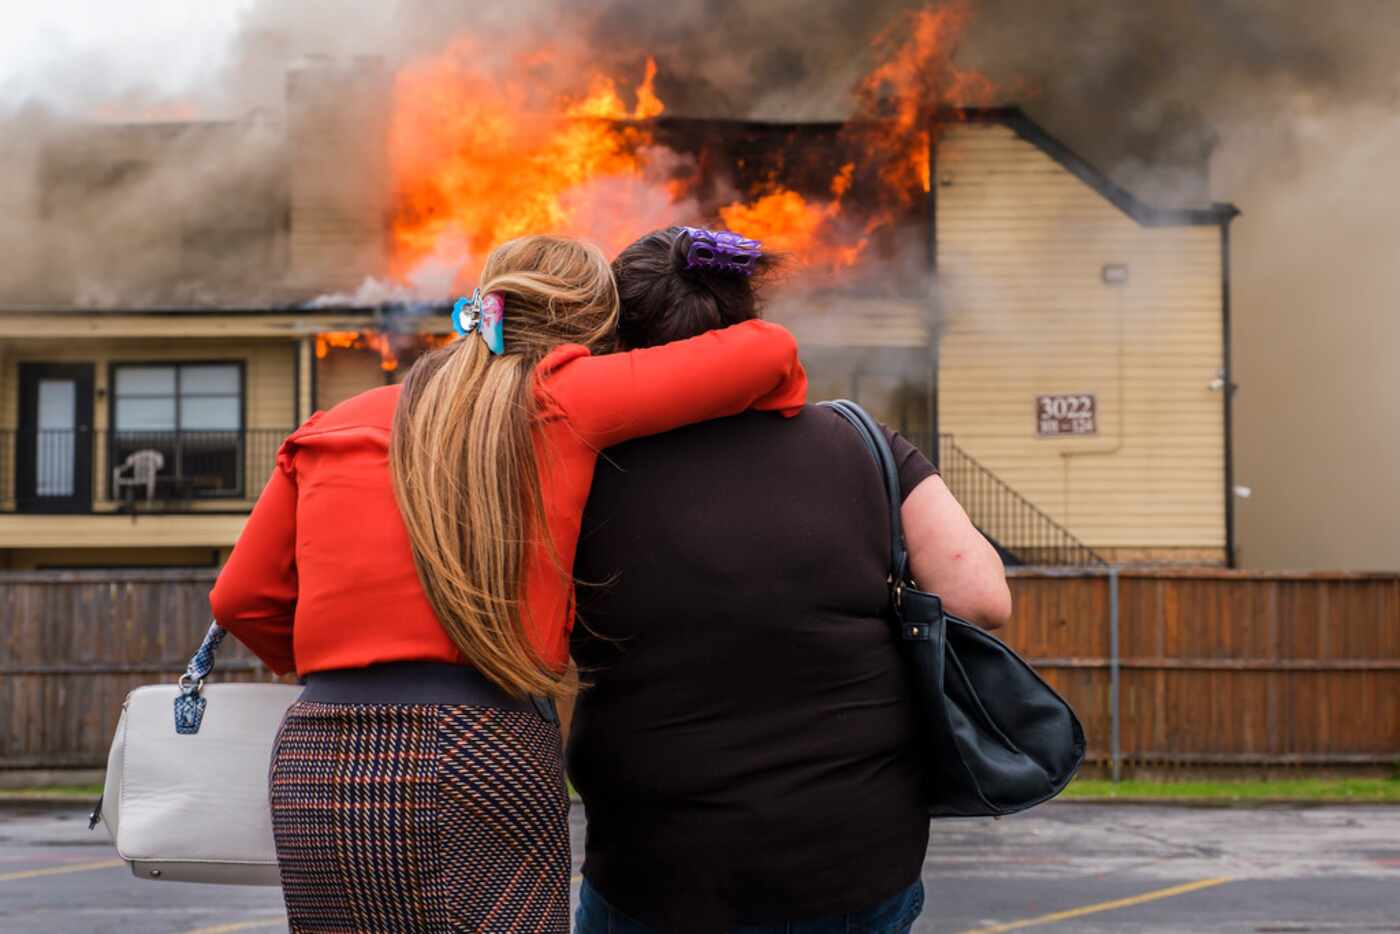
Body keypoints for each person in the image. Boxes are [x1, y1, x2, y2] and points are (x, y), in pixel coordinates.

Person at [209, 234, 808, 933]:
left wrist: (351, 668)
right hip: (481, 743)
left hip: (320, 754)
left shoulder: (332, 426)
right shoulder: (565, 397)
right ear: (593, 330)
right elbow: (768, 350)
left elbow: (240, 600)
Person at [568, 226, 1012, 934]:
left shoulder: (587, 472)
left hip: (661, 869)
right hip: (855, 861)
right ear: (747, 322)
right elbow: (982, 597)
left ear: (618, 340)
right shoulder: (861, 441)